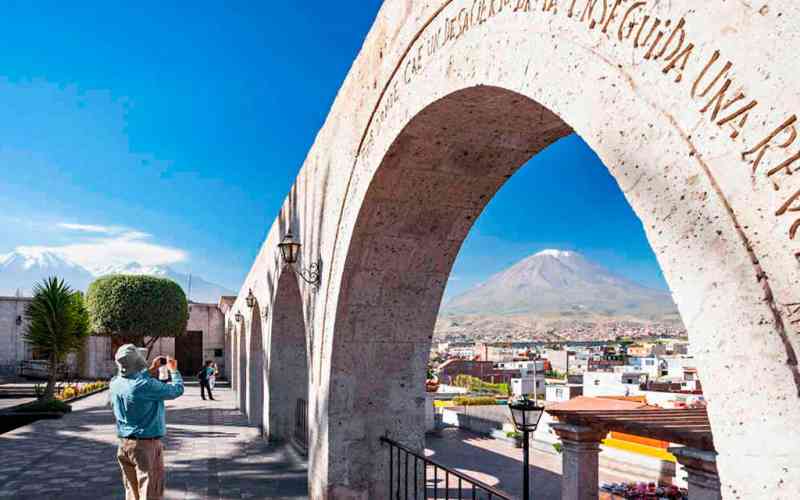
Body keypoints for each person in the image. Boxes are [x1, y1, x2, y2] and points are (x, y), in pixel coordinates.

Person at [110, 345, 184, 500]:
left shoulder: (115, 382)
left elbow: (134, 380)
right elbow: (176, 390)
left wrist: (152, 369)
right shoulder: (144, 386)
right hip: (145, 447)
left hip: (124, 445)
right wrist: (173, 370)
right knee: (150, 493)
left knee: (132, 492)